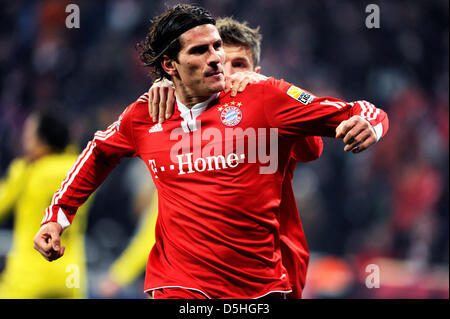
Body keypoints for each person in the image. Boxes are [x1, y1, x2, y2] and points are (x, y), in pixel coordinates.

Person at [34, 4, 389, 299]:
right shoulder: (148, 113)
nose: (219, 60)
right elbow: (99, 151)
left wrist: (369, 123)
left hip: (260, 285)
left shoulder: (265, 99)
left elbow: (334, 125)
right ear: (170, 65)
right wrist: (57, 216)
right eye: (202, 51)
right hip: (177, 285)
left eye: (219, 48)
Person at [98, 17, 323, 298]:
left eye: (239, 65)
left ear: (257, 70)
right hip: (204, 283)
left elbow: (311, 148)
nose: (228, 74)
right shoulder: (190, 132)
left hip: (278, 270)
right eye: (220, 62)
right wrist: (169, 81)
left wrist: (267, 87)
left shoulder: (268, 108)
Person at [0, 112, 92, 298]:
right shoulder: (80, 169)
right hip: (70, 275)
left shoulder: (26, 171)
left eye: (29, 135)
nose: (24, 140)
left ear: (42, 141)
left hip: (28, 278)